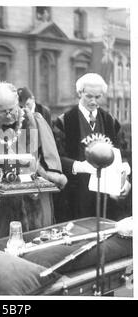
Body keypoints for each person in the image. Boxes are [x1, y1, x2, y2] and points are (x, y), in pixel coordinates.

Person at [0, 82, 67, 239]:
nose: (8, 115)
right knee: (7, 244)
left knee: (39, 242)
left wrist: (48, 175)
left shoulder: (34, 121)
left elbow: (51, 158)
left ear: (17, 103)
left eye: (11, 109)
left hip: (36, 197)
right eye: (2, 111)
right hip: (3, 201)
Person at [53, 73, 131, 222]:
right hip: (77, 193)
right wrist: (79, 166)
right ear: (79, 93)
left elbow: (123, 153)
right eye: (89, 96)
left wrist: (125, 179)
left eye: (98, 97)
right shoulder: (64, 122)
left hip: (107, 195)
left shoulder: (111, 121)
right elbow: (55, 158)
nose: (94, 101)